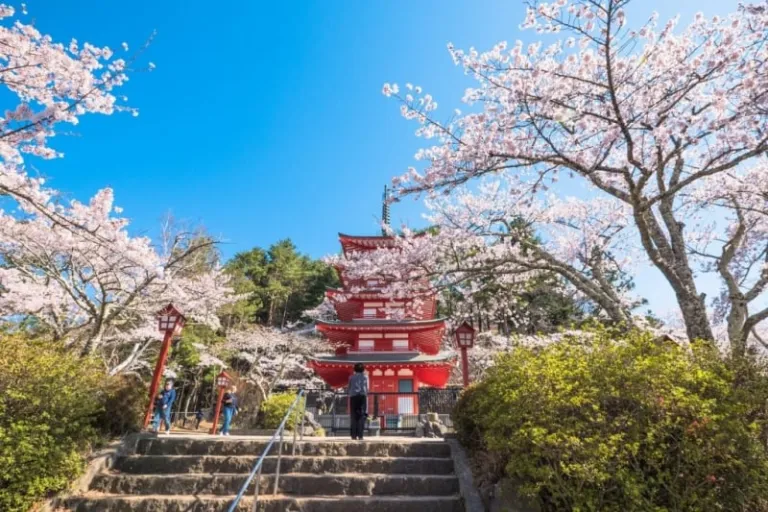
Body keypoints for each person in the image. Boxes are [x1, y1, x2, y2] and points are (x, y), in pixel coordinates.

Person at [348, 363, 368, 441]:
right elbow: (367, 387)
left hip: (353, 397)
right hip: (362, 396)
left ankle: (353, 435)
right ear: (363, 369)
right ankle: (360, 435)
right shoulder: (365, 377)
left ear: (355, 369)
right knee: (361, 416)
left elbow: (349, 387)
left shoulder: (351, 377)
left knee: (353, 416)